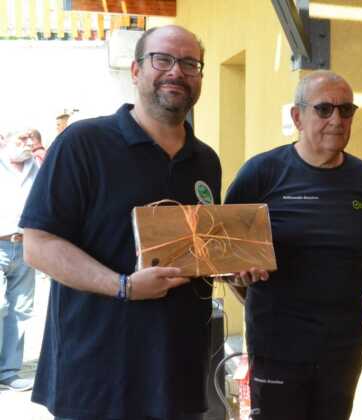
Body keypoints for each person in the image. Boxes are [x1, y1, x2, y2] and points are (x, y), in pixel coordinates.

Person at [19, 25, 255, 420]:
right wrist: (124, 287)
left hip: (177, 376)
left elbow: (197, 249)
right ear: (135, 70)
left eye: (190, 64)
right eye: (162, 59)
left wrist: (232, 268)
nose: (176, 71)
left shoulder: (205, 160)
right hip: (97, 376)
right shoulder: (83, 143)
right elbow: (38, 244)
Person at [224, 70, 362, 420]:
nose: (337, 120)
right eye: (324, 109)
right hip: (278, 345)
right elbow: (224, 253)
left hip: (343, 346)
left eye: (346, 110)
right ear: (297, 117)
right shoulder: (261, 173)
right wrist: (244, 284)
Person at [0, 132, 38, 392]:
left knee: (21, 309)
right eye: (21, 139)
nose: (28, 144)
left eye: (30, 139)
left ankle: (9, 372)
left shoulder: (37, 167)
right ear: (5, 140)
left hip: (26, 245)